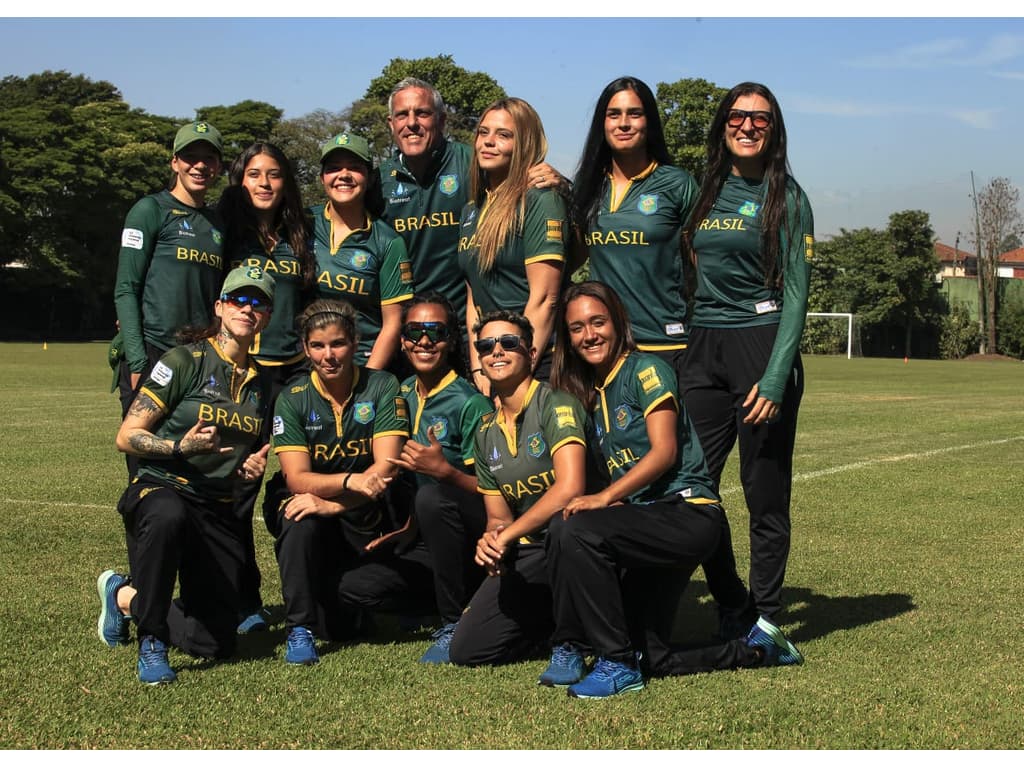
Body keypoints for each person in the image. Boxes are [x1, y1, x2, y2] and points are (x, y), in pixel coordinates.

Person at [545, 281, 803, 699]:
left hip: (687, 514)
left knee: (575, 529)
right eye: (576, 328)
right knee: (651, 653)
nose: (588, 335)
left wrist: (604, 498)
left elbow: (664, 453)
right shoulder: (593, 391)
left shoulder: (646, 370)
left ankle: (614, 663)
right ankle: (754, 652)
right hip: (646, 523)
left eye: (597, 322)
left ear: (618, 322)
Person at [95, 264, 276, 685]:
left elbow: (251, 454)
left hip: (217, 505)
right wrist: (179, 447)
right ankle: (152, 640)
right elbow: (128, 436)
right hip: (163, 487)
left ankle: (124, 597)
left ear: (267, 316)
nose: (247, 309)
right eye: (238, 299)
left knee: (214, 642)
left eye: (259, 303)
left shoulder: (265, 385)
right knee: (168, 514)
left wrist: (252, 468)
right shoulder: (182, 362)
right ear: (220, 306)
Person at [681, 82, 814, 635]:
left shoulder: (788, 196)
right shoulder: (701, 190)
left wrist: (777, 376)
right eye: (738, 117)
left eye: (760, 119)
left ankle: (765, 620)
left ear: (774, 130)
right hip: (702, 347)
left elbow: (799, 294)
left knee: (763, 491)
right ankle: (730, 600)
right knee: (691, 486)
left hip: (761, 346)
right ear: (723, 126)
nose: (748, 127)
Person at [263, 298, 416, 665]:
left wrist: (332, 502)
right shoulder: (293, 398)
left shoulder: (382, 386)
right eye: (317, 346)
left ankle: (340, 603)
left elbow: (385, 470)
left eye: (337, 344)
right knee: (298, 517)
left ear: (355, 343)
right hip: (319, 498)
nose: (328, 355)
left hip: (366, 507)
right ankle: (299, 629)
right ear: (305, 348)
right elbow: (297, 478)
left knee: (345, 623)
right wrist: (348, 481)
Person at [447, 310, 587, 667]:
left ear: (531, 351)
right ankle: (549, 628)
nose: (497, 351)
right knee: (468, 649)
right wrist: (491, 540)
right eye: (486, 345)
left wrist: (508, 535)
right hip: (529, 550)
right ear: (478, 357)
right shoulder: (483, 431)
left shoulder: (556, 402)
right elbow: (498, 516)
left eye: (509, 343)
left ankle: (576, 633)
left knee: (563, 528)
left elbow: (570, 488)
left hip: (579, 540)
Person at [219, 141, 317, 633]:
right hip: (244, 375)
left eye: (274, 174)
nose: (264, 182)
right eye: (253, 173)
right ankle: (245, 602)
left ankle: (315, 592)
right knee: (239, 485)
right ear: (239, 180)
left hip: (296, 372)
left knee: (300, 479)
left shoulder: (301, 232)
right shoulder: (226, 234)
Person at [380, 78, 567, 335]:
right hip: (411, 332)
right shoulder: (377, 182)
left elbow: (523, 179)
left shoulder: (472, 163)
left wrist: (562, 185)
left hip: (471, 331)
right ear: (391, 124)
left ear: (442, 120)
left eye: (422, 113)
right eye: (402, 115)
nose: (412, 123)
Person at [113, 120, 227, 476]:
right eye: (190, 156)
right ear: (174, 162)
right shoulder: (150, 210)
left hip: (198, 361)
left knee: (196, 465)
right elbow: (126, 289)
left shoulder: (219, 224)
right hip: (152, 353)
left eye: (208, 158)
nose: (199, 165)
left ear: (219, 166)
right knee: (146, 466)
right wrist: (136, 362)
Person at [385, 292, 494, 663]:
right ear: (402, 341)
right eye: (415, 331)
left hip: (468, 533)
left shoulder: (469, 402)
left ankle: (453, 622)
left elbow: (493, 491)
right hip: (418, 538)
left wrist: (444, 472)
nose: (425, 341)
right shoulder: (397, 395)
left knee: (432, 498)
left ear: (451, 341)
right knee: (357, 591)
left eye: (437, 331)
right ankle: (427, 602)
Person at [569, 76, 697, 385]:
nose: (623, 123)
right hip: (605, 350)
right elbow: (569, 260)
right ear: (603, 123)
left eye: (634, 114)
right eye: (614, 114)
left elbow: (702, 266)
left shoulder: (677, 184)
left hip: (665, 346)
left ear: (649, 122)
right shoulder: (588, 188)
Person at [458, 98, 567, 386]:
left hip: (534, 361)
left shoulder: (540, 199)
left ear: (525, 143)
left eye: (503, 135)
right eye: (483, 132)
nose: (489, 142)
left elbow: (546, 299)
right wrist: (480, 368)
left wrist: (517, 370)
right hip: (492, 361)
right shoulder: (471, 209)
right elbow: (473, 299)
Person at [311, 132, 415, 373]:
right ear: (322, 177)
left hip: (361, 367)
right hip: (305, 368)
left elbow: (392, 323)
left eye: (354, 168)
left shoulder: (388, 241)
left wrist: (366, 381)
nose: (343, 175)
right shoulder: (303, 223)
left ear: (368, 178)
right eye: (334, 168)